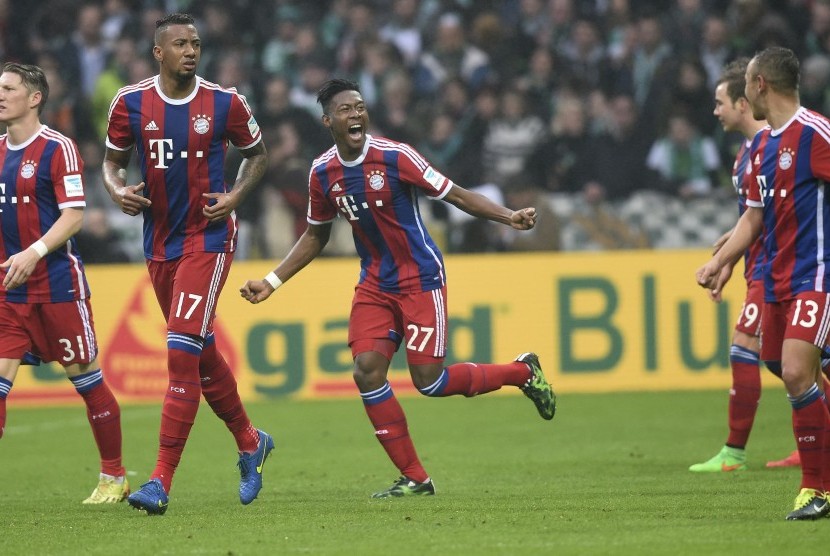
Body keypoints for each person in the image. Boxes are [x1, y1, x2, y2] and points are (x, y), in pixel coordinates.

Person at [240, 78, 556, 498]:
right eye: (346, 110)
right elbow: (316, 235)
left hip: (420, 278)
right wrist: (272, 281)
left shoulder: (395, 156)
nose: (356, 115)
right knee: (366, 371)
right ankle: (416, 478)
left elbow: (456, 195)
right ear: (328, 120)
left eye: (360, 107)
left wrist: (508, 216)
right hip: (375, 283)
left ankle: (522, 371)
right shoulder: (322, 173)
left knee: (429, 381)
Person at [101, 13, 272, 515]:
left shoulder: (225, 101)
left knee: (179, 352)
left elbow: (257, 154)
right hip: (158, 244)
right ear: (159, 52)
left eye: (195, 43)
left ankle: (159, 481)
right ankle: (249, 439)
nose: (191, 51)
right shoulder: (130, 103)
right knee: (198, 351)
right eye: (180, 44)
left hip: (210, 238)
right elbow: (111, 163)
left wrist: (235, 195)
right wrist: (116, 192)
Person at [696, 46, 830, 520]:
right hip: (773, 279)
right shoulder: (763, 147)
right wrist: (722, 262)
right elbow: (753, 219)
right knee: (779, 362)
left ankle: (817, 489)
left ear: (759, 87)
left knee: (795, 369)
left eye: (745, 82)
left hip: (815, 274)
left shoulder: (816, 133)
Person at [0, 62, 128, 504]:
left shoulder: (59, 148)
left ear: (35, 97)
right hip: (8, 291)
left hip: (57, 285)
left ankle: (114, 475)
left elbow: (74, 215)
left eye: (9, 88)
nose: (1, 94)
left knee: (86, 381)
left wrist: (33, 252)